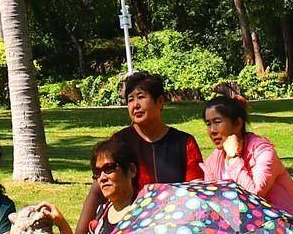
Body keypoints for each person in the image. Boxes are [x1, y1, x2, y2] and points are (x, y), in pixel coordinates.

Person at [74, 71, 199, 232]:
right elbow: (97, 191)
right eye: (130, 99)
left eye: (141, 97)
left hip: (175, 226)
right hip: (129, 227)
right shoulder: (119, 141)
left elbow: (196, 193)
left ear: (160, 101)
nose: (135, 105)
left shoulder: (184, 143)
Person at [202, 94, 293, 231]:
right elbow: (214, 206)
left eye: (217, 122)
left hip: (285, 226)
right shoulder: (214, 161)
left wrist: (233, 157)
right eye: (208, 124)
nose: (212, 131)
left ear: (238, 123)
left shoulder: (263, 151)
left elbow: (253, 197)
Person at [30, 138, 145, 234]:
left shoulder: (145, 211)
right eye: (97, 172)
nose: (102, 178)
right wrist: (61, 223)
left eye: (109, 168)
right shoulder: (101, 213)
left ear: (131, 170)